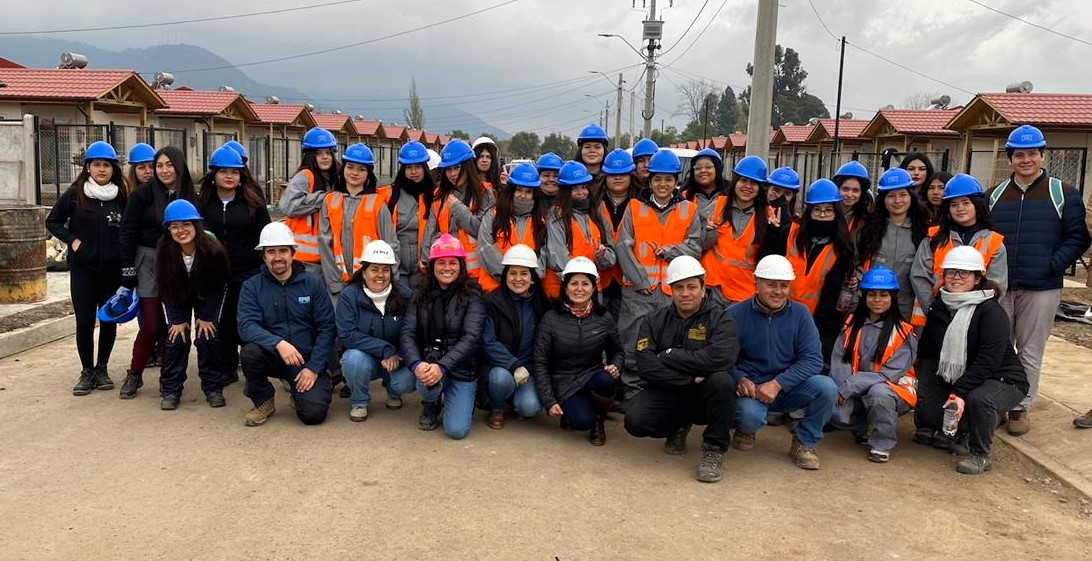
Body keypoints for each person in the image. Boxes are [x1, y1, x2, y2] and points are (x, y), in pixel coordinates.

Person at [987, 124, 1091, 435]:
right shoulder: (993, 195)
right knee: (999, 346)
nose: (1026, 160)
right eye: (1019, 154)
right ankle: (998, 403)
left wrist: (1053, 264)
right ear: (1010, 158)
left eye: (1033, 153)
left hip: (1042, 286)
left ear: (1043, 156)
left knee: (1031, 349)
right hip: (1001, 286)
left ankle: (1020, 407)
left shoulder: (1063, 193)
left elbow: (1078, 237)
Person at [913, 246, 1028, 474]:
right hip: (961, 374)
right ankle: (955, 431)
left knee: (980, 398)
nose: (956, 277)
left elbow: (989, 361)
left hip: (1002, 379)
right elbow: (927, 351)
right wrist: (920, 383)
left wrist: (960, 393)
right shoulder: (940, 306)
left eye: (964, 273)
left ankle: (980, 454)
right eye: (951, 272)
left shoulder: (990, 311)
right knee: (927, 404)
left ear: (977, 278)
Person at [624, 256, 740, 483]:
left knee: (722, 381)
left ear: (703, 287)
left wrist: (670, 355)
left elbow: (721, 358)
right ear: (671, 290)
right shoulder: (654, 320)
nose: (685, 293)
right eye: (679, 287)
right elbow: (646, 365)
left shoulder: (721, 319)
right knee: (635, 420)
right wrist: (687, 380)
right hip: (670, 389)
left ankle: (713, 449)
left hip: (705, 396)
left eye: (691, 287)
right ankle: (678, 425)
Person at [727, 255, 835, 470]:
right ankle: (745, 429)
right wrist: (739, 378)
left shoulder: (801, 314)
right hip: (752, 390)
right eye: (771, 285)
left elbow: (813, 359)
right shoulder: (734, 314)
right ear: (756, 284)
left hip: (788, 388)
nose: (778, 291)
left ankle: (805, 443)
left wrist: (778, 383)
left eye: (784, 285)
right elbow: (720, 358)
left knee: (826, 388)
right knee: (749, 415)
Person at [616, 149, 703, 402]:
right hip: (638, 291)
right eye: (657, 179)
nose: (662, 184)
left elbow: (695, 246)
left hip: (674, 294)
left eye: (668, 179)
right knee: (633, 343)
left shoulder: (689, 210)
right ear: (649, 181)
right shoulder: (634, 208)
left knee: (671, 346)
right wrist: (641, 281)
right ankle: (633, 395)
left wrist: (669, 252)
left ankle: (662, 395)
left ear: (677, 182)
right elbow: (623, 246)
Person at [46, 141, 127, 395]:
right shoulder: (75, 193)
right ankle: (86, 371)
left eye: (106, 165)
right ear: (88, 167)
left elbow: (130, 228)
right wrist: (73, 240)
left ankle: (102, 368)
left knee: (108, 320)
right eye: (96, 164)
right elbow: (53, 221)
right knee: (84, 322)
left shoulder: (122, 196)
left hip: (112, 271)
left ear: (113, 168)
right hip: (83, 271)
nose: (102, 169)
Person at [237, 222, 337, 426]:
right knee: (249, 353)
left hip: (305, 360)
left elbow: (327, 328)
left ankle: (299, 393)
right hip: (272, 354)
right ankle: (263, 399)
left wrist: (314, 368)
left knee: (313, 415)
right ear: (263, 256)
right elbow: (246, 325)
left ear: (293, 253)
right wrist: (278, 343)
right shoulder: (252, 287)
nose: (278, 257)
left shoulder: (313, 284)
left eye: (283, 250)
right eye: (271, 252)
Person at [118, 146, 198, 399]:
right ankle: (134, 374)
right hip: (149, 261)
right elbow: (127, 232)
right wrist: (128, 271)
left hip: (179, 260)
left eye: (169, 165)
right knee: (152, 324)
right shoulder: (142, 194)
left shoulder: (190, 194)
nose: (163, 170)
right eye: (159, 165)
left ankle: (169, 378)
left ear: (179, 166)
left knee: (175, 323)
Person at [197, 145, 271, 385]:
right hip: (216, 272)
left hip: (248, 272)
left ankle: (252, 367)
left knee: (247, 319)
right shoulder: (204, 203)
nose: (229, 176)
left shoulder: (253, 202)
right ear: (214, 175)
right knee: (223, 321)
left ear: (242, 175)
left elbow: (266, 235)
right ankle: (227, 368)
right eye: (223, 171)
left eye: (235, 172)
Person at [829, 266, 918, 463]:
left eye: (884, 295)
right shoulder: (852, 324)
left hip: (892, 389)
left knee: (879, 394)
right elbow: (839, 359)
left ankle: (882, 442)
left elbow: (890, 374)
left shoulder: (903, 331)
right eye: (872, 294)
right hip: (856, 386)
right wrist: (841, 388)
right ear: (865, 296)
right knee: (834, 408)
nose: (877, 300)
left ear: (893, 297)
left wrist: (851, 386)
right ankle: (864, 426)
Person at [401, 234, 486, 439]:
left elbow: (471, 338)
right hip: (429, 363)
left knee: (456, 431)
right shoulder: (419, 293)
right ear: (432, 265)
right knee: (425, 381)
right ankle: (430, 404)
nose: (446, 268)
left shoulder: (473, 295)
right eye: (441, 262)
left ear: (461, 266)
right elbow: (408, 332)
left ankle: (459, 399)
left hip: (462, 369)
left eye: (452, 262)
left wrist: (444, 366)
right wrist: (416, 364)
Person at [534, 257, 624, 445]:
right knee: (582, 422)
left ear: (593, 287)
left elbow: (617, 351)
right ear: (565, 287)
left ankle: (599, 421)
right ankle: (575, 411)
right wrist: (549, 401)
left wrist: (615, 365)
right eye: (574, 283)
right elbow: (540, 362)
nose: (579, 289)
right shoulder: (551, 318)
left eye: (585, 283)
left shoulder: (603, 317)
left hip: (591, 374)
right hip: (563, 380)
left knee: (607, 380)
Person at [155, 200, 231, 410]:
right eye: (175, 226)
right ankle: (171, 389)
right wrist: (176, 320)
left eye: (186, 225)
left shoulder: (212, 249)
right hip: (176, 295)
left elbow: (219, 286)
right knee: (175, 338)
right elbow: (164, 288)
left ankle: (213, 387)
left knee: (208, 336)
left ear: (196, 225)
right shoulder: (163, 250)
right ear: (168, 229)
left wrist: (207, 317)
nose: (181, 231)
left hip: (208, 294)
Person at [909, 174, 1007, 328]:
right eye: (954, 204)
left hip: (974, 319)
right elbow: (919, 276)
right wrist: (934, 309)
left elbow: (997, 285)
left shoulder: (994, 242)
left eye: (966, 203)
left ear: (977, 205)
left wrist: (974, 314)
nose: (960, 208)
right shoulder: (933, 238)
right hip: (934, 317)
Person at [336, 240, 415, 422]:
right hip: (366, 357)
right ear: (363, 272)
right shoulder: (349, 296)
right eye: (374, 269)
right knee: (352, 359)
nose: (380, 275)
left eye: (385, 270)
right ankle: (359, 401)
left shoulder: (405, 295)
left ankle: (394, 391)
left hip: (397, 358)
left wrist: (398, 353)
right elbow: (348, 335)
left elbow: (412, 331)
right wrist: (385, 349)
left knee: (407, 380)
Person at [783, 179, 856, 370]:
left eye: (828, 210)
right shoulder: (792, 234)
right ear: (809, 212)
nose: (822, 215)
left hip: (818, 325)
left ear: (836, 214)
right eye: (817, 210)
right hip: (781, 315)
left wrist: (815, 330)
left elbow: (833, 298)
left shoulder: (842, 248)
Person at [699, 157, 785, 308]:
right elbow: (699, 245)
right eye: (743, 181)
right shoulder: (718, 205)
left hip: (743, 293)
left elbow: (768, 257)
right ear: (735, 182)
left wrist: (774, 234)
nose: (747, 187)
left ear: (760, 188)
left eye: (753, 183)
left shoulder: (768, 216)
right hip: (711, 288)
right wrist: (709, 232)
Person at [481, 245, 550, 429]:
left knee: (530, 408)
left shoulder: (542, 303)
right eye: (512, 273)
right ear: (505, 276)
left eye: (524, 273)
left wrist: (530, 368)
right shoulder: (492, 302)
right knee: (500, 379)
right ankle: (497, 408)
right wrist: (514, 365)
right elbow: (488, 341)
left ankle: (515, 401)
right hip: (500, 367)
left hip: (529, 370)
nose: (518, 279)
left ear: (532, 278)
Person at [318, 142, 397, 297]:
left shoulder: (377, 203)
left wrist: (387, 283)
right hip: (337, 283)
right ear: (343, 169)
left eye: (361, 169)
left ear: (368, 174)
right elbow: (325, 245)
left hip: (370, 283)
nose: (355, 173)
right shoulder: (330, 201)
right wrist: (335, 283)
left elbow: (390, 244)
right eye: (350, 167)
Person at [856, 167, 930, 320]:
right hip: (872, 306)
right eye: (891, 196)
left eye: (903, 195)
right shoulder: (868, 229)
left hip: (908, 309)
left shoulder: (924, 229)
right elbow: (856, 263)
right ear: (883, 199)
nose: (897, 201)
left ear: (911, 196)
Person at [421, 139, 495, 281]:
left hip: (474, 275)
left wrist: (457, 208)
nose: (452, 174)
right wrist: (426, 262)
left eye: (457, 168)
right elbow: (429, 232)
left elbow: (482, 231)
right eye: (448, 169)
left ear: (467, 167)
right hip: (445, 272)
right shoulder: (439, 196)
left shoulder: (485, 193)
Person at [543, 161, 615, 299]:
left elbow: (611, 255)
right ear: (565, 191)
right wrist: (580, 283)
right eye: (575, 188)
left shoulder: (596, 215)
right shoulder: (556, 215)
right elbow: (557, 256)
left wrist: (602, 256)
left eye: (584, 187)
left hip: (591, 290)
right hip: (563, 291)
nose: (581, 192)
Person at [280, 127, 341, 277]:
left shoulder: (337, 179)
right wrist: (326, 198)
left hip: (329, 256)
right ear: (310, 156)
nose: (325, 157)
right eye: (319, 153)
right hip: (304, 261)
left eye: (328, 153)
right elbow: (289, 206)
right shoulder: (305, 176)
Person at [477, 162, 547, 292]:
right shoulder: (493, 215)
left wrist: (525, 281)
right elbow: (484, 248)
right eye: (519, 190)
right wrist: (510, 279)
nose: (523, 195)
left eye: (528, 192)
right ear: (511, 191)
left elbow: (543, 255)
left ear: (534, 194)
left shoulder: (540, 222)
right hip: (493, 291)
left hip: (527, 291)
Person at [382, 141, 435, 287]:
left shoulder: (435, 196)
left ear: (425, 168)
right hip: (396, 266)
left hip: (424, 267)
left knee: (420, 305)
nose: (413, 172)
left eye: (418, 167)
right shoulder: (388, 195)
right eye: (409, 167)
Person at [597, 149, 639, 319]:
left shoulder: (641, 204)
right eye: (612, 174)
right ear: (605, 177)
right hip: (601, 279)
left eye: (623, 174)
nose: (618, 178)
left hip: (629, 280)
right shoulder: (593, 203)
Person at [832, 160, 872, 234]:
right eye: (845, 189)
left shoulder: (864, 221)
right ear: (837, 188)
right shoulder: (825, 213)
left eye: (855, 190)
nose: (849, 195)